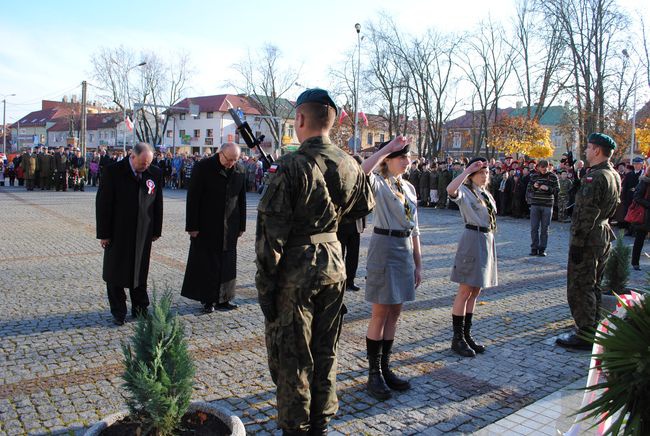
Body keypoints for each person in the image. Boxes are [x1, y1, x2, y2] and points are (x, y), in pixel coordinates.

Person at [255, 88, 374, 435]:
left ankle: (296, 426)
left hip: (297, 273)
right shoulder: (350, 163)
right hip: (334, 266)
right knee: (326, 349)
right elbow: (364, 206)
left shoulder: (291, 165)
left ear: (302, 119)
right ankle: (321, 421)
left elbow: (270, 237)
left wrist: (266, 289)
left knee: (293, 357)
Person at [360, 137, 422, 400]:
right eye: (402, 158)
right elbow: (363, 171)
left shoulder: (408, 187)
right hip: (384, 247)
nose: (408, 162)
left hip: (404, 248)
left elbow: (415, 227)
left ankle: (386, 367)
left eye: (408, 158)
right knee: (380, 312)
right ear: (388, 160)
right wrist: (384, 149)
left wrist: (419, 262)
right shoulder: (379, 183)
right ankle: (373, 374)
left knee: (395, 311)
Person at [556, 133, 620, 350]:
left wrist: (578, 241)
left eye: (589, 147)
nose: (586, 151)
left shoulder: (595, 177)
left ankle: (585, 333)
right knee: (594, 284)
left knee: (580, 285)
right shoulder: (613, 175)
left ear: (598, 151)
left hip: (589, 237)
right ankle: (593, 327)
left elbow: (586, 212)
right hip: (602, 234)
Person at [95, 142, 163, 326]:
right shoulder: (112, 172)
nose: (145, 167)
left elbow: (157, 204)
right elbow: (103, 205)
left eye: (148, 163)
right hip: (118, 232)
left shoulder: (154, 173)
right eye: (142, 163)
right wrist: (104, 233)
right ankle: (118, 312)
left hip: (143, 232)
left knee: (140, 272)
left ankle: (140, 308)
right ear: (132, 156)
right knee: (115, 273)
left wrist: (156, 229)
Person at [181, 142, 246, 313]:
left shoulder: (239, 170)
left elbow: (242, 200)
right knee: (207, 263)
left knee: (227, 264)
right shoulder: (203, 167)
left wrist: (241, 225)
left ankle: (224, 299)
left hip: (230, 226)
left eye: (235, 160)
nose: (231, 163)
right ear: (220, 154)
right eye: (229, 159)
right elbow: (193, 198)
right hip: (206, 225)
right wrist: (192, 226)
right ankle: (207, 299)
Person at [446, 157, 498, 357]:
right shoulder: (466, 192)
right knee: (465, 289)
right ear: (471, 176)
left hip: (486, 240)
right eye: (480, 173)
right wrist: (466, 171)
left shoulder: (486, 194)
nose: (485, 176)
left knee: (475, 290)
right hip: (472, 238)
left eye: (486, 172)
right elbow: (450, 190)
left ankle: (467, 335)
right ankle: (457, 338)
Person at [526, 160, 560, 256]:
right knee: (534, 228)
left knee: (545, 229)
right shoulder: (534, 176)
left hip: (547, 205)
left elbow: (558, 190)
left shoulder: (553, 177)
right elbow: (529, 189)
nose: (544, 169)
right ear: (538, 167)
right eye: (542, 167)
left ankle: (542, 249)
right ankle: (534, 248)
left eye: (546, 167)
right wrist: (534, 186)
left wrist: (548, 189)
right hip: (535, 204)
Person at [630, 166, 650, 270]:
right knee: (639, 240)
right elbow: (637, 197)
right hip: (644, 216)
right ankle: (635, 262)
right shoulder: (644, 182)